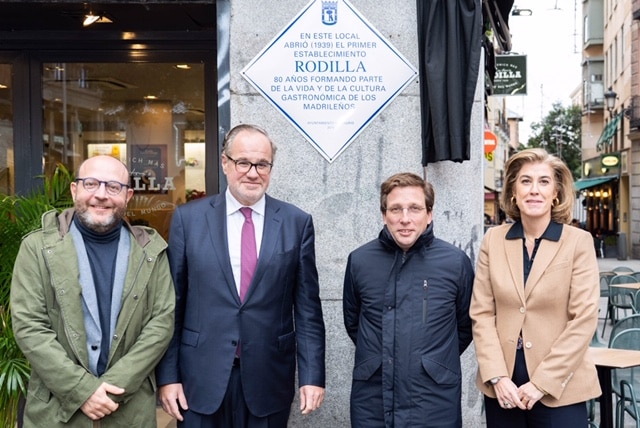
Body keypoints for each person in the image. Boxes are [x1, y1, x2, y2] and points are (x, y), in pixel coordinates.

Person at [156, 123, 326, 427]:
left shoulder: (296, 223)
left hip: (268, 377)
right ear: (225, 162)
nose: (252, 172)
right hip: (199, 379)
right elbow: (172, 304)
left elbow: (308, 310)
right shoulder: (189, 219)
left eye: (262, 164)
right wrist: (168, 377)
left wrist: (312, 377)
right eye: (243, 162)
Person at [10, 155, 175, 427]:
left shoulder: (151, 251)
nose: (101, 195)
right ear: (75, 190)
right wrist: (82, 389)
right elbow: (30, 326)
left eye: (113, 187)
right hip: (56, 411)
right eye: (91, 184)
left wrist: (111, 387)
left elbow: (161, 324)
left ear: (128, 195)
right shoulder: (37, 248)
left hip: (128, 408)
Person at [470, 148, 601, 427]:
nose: (534, 190)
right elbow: (481, 313)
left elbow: (584, 320)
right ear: (513, 192)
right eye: (525, 181)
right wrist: (497, 376)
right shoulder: (493, 240)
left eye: (544, 182)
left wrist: (541, 383)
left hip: (560, 387)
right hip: (504, 388)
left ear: (556, 193)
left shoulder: (578, 242)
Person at [343, 172, 474, 427]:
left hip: (433, 400)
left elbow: (465, 325)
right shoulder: (360, 261)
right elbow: (354, 322)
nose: (405, 219)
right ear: (384, 215)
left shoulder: (455, 262)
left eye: (414, 208)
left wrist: (431, 362)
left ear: (429, 214)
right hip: (373, 398)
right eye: (396, 209)